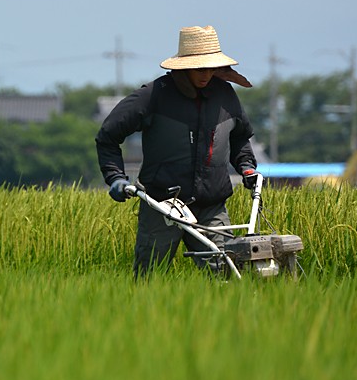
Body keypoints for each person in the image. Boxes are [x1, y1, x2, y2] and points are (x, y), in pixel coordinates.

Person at [95, 25, 258, 277]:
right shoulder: (153, 96)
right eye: (200, 68)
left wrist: (246, 166)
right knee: (149, 280)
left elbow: (239, 138)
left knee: (228, 277)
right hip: (162, 205)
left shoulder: (225, 95)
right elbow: (107, 136)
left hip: (211, 207)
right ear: (184, 66)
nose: (206, 74)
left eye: (211, 68)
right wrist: (115, 176)